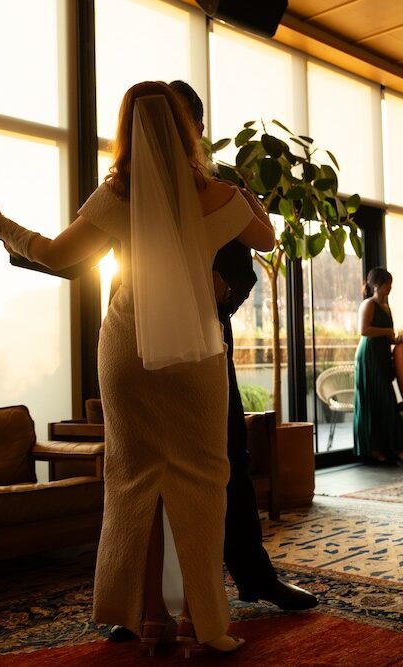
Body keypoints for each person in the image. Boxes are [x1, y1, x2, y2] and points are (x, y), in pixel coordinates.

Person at [0, 82, 275, 653]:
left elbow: (52, 254)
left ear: (125, 130)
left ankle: (149, 621)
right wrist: (254, 207)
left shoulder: (116, 197)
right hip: (196, 348)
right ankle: (203, 624)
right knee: (203, 482)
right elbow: (266, 238)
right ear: (186, 127)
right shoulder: (222, 194)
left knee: (134, 480)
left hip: (127, 350)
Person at [167, 80, 316, 615]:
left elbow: (248, 264)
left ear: (197, 130)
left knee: (231, 458)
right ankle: (151, 601)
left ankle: (255, 576)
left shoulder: (217, 189)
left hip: (210, 337)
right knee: (151, 471)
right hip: (141, 346)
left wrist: (223, 294)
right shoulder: (126, 186)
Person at [354, 267, 403, 465]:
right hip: (368, 356)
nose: (390, 287)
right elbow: (364, 330)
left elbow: (387, 336)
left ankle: (391, 446)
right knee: (373, 399)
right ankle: (374, 448)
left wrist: (398, 339)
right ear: (377, 284)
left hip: (381, 355)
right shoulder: (369, 304)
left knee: (385, 399)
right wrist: (388, 331)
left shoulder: (387, 306)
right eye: (387, 283)